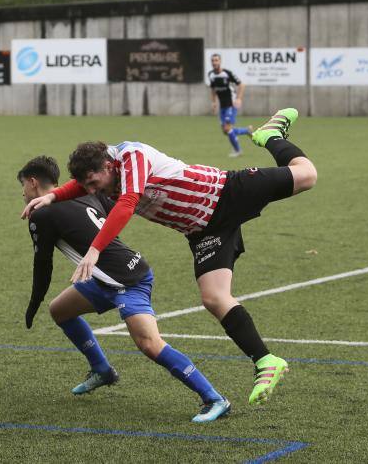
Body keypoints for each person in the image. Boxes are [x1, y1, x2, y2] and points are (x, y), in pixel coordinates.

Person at [22, 108, 317, 406]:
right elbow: (83, 184)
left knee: (307, 176)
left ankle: (270, 136)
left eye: (93, 184)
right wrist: (53, 195)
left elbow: (127, 203)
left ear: (109, 166)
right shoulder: (103, 173)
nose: (90, 191)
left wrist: (95, 249)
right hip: (202, 229)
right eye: (86, 187)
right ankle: (266, 361)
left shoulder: (132, 156)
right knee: (214, 298)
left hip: (224, 193)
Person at [19, 155, 231, 423]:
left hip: (125, 281)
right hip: (110, 276)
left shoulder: (42, 214)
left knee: (149, 343)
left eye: (23, 186)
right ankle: (102, 370)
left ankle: (214, 398)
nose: (23, 193)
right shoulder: (85, 193)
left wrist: (33, 303)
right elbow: (111, 210)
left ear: (33, 182)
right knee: (60, 310)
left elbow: (43, 264)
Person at [208, 53, 252, 157]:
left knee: (228, 128)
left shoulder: (227, 73)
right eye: (213, 60)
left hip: (231, 104)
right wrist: (214, 102)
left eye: (216, 60)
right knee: (225, 131)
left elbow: (241, 85)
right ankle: (247, 130)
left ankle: (238, 151)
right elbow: (213, 89)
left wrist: (239, 99)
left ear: (220, 61)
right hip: (222, 105)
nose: (214, 62)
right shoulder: (211, 75)